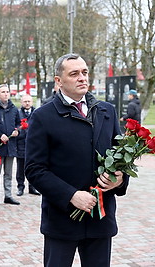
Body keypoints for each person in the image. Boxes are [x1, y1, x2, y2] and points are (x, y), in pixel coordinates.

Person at [25, 53, 129, 267]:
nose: (82, 78)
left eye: (84, 72)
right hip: (62, 220)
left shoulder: (106, 111)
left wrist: (120, 180)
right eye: (74, 74)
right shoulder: (43, 116)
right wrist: (71, 196)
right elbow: (34, 169)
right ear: (59, 81)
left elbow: (121, 159)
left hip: (101, 219)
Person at [15, 94, 39, 196]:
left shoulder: (36, 113)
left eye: (29, 101)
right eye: (25, 101)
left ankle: (32, 187)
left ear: (32, 102)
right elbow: (16, 126)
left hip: (34, 145)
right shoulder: (18, 114)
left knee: (34, 166)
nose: (27, 103)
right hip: (21, 143)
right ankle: (20, 187)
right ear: (22, 103)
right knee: (20, 168)